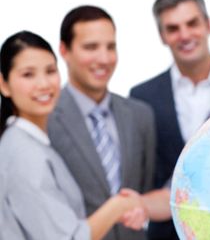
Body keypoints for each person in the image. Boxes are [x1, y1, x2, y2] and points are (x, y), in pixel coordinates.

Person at [0, 31, 144, 240]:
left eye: (50, 71)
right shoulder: (23, 153)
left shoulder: (28, 143)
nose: (43, 84)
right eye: (28, 74)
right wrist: (119, 205)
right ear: (4, 85)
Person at [129, 0, 210, 239]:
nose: (185, 35)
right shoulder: (141, 97)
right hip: (165, 232)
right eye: (173, 28)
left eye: (192, 23)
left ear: (208, 25)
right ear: (162, 35)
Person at [47, 6, 156, 240]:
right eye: (91, 47)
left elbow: (144, 188)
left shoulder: (140, 115)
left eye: (111, 47)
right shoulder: (46, 120)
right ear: (64, 50)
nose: (104, 58)